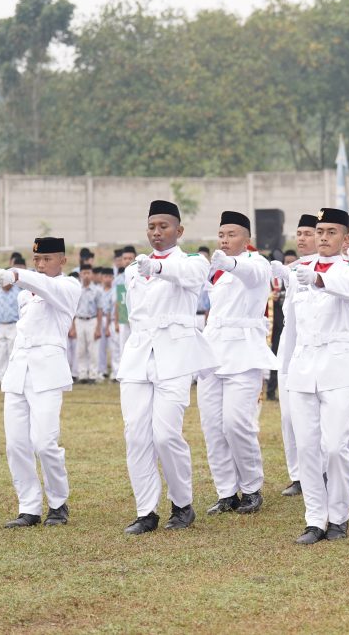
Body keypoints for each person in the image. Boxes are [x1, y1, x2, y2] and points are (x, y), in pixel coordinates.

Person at [116, 200, 218, 535]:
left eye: (163, 226)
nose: (156, 233)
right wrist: (146, 268)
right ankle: (146, 511)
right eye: (151, 227)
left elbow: (189, 278)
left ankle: (182, 504)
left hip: (174, 356)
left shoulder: (192, 262)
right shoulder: (132, 269)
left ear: (179, 230)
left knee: (166, 435)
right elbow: (133, 314)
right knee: (136, 436)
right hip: (138, 356)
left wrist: (157, 269)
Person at [284, 207, 349, 544]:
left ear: (344, 237)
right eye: (319, 231)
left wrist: (321, 279)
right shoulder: (300, 270)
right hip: (304, 366)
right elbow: (290, 325)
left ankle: (338, 517)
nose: (323, 237)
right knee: (307, 447)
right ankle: (314, 518)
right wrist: (286, 366)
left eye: (331, 232)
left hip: (338, 366)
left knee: (335, 446)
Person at [0, 238, 81, 528]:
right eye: (37, 260)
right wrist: (20, 279)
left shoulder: (69, 287)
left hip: (47, 373)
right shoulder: (24, 295)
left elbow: (47, 287)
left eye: (47, 259)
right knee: (16, 444)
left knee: (44, 443)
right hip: (19, 371)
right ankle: (28, 507)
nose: (41, 265)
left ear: (62, 261)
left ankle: (58, 503)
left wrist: (16, 274)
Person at [197, 210, 278, 516]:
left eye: (232, 235)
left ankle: (252, 487)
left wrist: (228, 262)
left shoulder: (257, 263)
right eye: (222, 235)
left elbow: (253, 276)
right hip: (213, 353)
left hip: (243, 353)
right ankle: (226, 491)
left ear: (247, 239)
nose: (225, 240)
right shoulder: (216, 272)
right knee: (213, 426)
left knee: (236, 424)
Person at [275, 214, 319, 498]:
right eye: (299, 233)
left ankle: (320, 470)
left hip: (315, 347)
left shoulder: (327, 269)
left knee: (316, 416)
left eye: (308, 233)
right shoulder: (290, 269)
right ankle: (298, 475)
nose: (301, 238)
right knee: (288, 416)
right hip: (288, 348)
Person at [73, 264, 102, 384]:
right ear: (80, 274)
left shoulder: (97, 291)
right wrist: (72, 327)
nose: (86, 276)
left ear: (92, 274)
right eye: (84, 273)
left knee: (93, 349)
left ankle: (93, 374)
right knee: (80, 349)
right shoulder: (76, 290)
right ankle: (82, 374)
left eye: (88, 273)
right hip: (79, 320)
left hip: (92, 320)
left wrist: (98, 328)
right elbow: (73, 309)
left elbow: (100, 309)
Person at [0, 272, 21, 383]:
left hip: (13, 325)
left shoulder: (18, 294)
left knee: (13, 351)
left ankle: (14, 377)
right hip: (0, 325)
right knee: (1, 352)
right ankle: (3, 377)